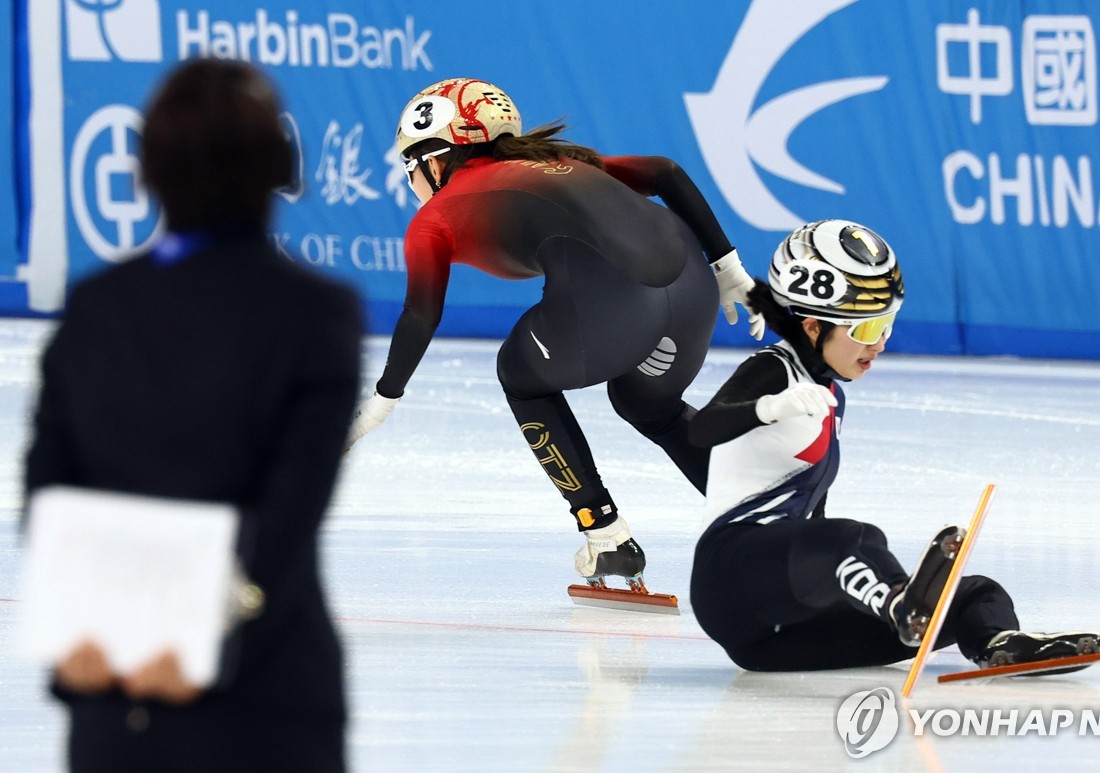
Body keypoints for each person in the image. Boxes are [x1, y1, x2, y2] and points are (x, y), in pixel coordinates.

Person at [23, 59, 361, 772]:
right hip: (265, 694)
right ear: (277, 167)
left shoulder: (97, 308)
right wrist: (203, 638)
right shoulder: (315, 313)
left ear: (149, 170)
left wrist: (85, 639)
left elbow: (49, 488)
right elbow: (290, 507)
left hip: (113, 682)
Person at [345, 77, 763, 588]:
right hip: (691, 289)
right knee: (649, 405)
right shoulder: (561, 160)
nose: (410, 182)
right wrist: (728, 269)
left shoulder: (437, 215)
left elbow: (420, 314)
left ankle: (604, 533)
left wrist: (383, 399)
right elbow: (664, 172)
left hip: (619, 301)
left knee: (519, 373)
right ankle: (764, 518)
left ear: (436, 159)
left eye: (410, 165)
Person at [687, 219, 1100, 672]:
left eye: (886, 325)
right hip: (729, 583)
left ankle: (998, 645)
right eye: (865, 330)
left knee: (973, 593)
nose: (880, 344)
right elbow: (702, 430)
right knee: (854, 539)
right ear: (810, 328)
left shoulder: (830, 394)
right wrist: (767, 408)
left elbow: (811, 519)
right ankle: (902, 606)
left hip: (780, 634)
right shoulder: (774, 370)